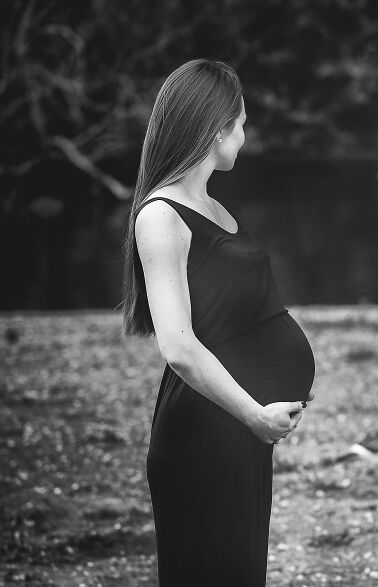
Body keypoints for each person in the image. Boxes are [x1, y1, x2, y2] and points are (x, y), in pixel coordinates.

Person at [120, 59, 316, 585]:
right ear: (215, 128)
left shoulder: (211, 207)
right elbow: (179, 347)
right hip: (206, 436)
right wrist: (254, 414)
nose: (246, 137)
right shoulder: (160, 217)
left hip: (241, 436)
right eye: (242, 123)